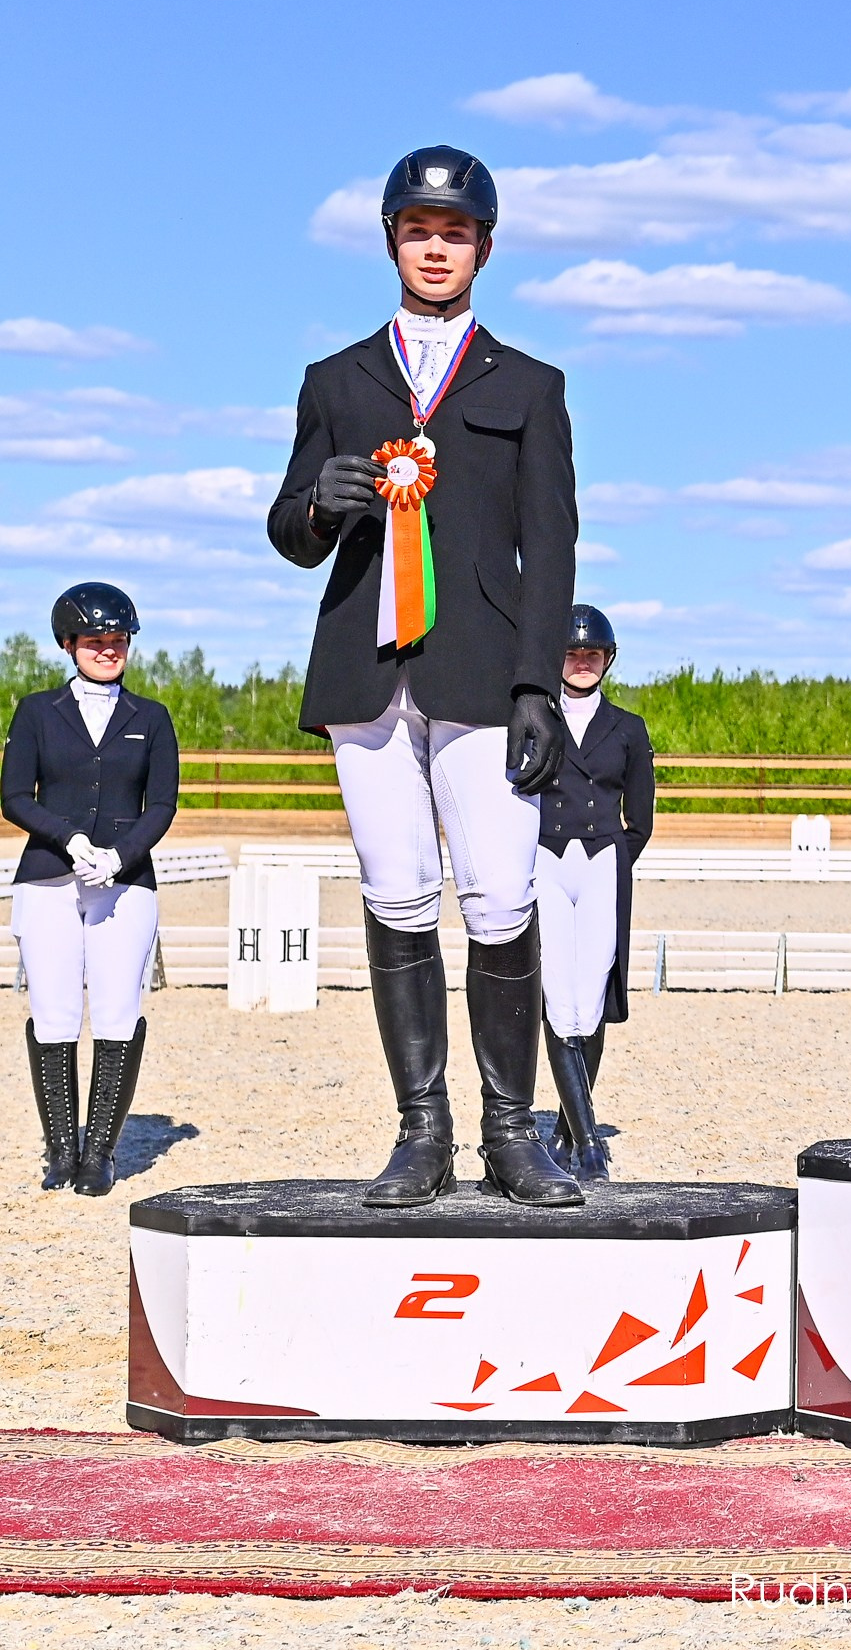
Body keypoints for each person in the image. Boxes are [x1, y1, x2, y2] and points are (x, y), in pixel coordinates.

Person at [265, 145, 580, 1209]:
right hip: (366, 670)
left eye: (454, 233)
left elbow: (553, 544)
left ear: (483, 246)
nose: (435, 247)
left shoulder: (531, 386)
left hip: (487, 672)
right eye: (417, 231)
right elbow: (289, 532)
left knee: (499, 896)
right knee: (397, 893)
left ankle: (511, 1132)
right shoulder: (335, 380)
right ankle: (421, 1133)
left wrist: (540, 682)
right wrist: (321, 502)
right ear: (392, 241)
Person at [2, 584, 179, 1194]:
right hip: (49, 875)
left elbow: (162, 804)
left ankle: (99, 1150)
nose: (109, 649)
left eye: (118, 639)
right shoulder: (35, 711)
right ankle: (59, 1150)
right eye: (95, 640)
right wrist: (69, 839)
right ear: (69, 644)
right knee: (53, 1012)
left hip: (124, 884)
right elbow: (16, 795)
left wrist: (121, 855)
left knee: (116, 1010)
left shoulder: (151, 717)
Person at [535, 605, 652, 1180]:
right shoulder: (533, 715)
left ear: (606, 660)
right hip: (546, 858)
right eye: (572, 654)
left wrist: (613, 856)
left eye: (592, 655)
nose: (582, 663)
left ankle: (564, 1127)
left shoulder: (628, 727)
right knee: (558, 992)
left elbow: (642, 816)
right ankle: (588, 1143)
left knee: (591, 993)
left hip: (603, 860)